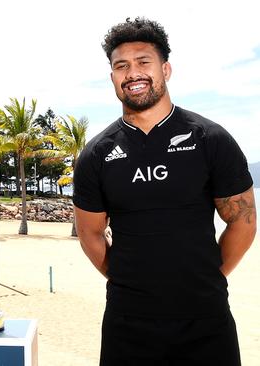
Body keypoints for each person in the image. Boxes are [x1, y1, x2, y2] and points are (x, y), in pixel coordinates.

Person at [73, 17, 257, 365]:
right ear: (112, 76)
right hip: (128, 323)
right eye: (121, 66)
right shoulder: (97, 154)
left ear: (166, 69)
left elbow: (243, 222)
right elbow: (91, 235)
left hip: (205, 319)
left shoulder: (210, 139)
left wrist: (210, 278)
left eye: (144, 62)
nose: (133, 73)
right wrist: (130, 282)